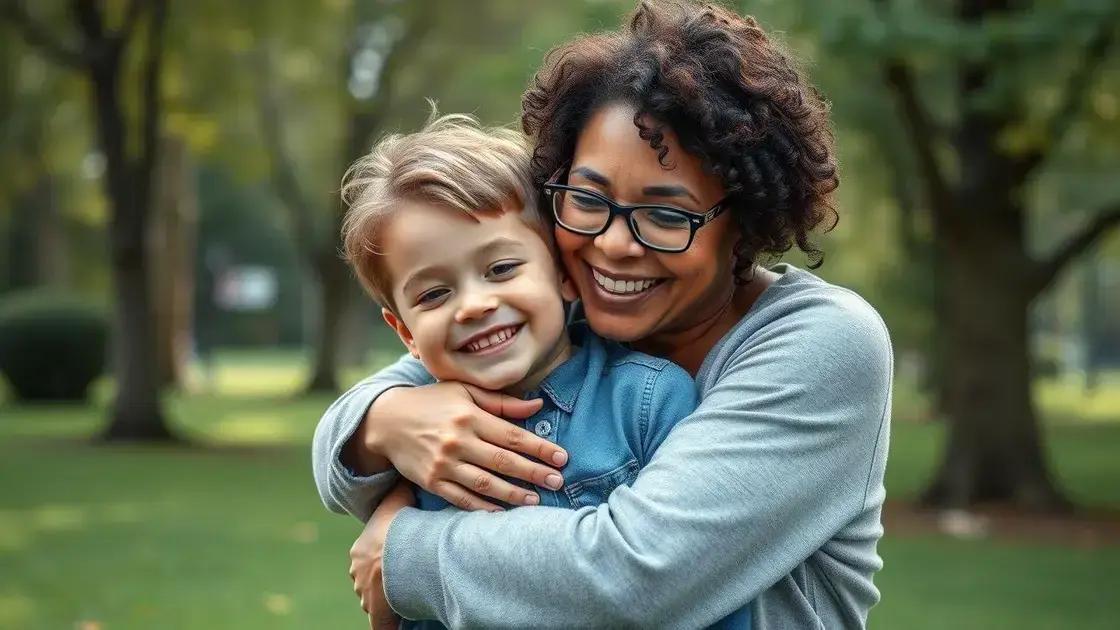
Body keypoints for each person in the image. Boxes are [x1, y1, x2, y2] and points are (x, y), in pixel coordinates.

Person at [312, 1, 893, 627]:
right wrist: (383, 422)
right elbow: (352, 441)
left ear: (744, 223)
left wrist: (399, 555)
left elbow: (637, 575)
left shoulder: (822, 341)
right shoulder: (562, 315)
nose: (615, 244)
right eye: (588, 198)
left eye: (667, 215)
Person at [328, 112, 751, 628]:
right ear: (406, 334)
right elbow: (339, 455)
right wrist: (385, 425)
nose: (474, 305)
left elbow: (694, 585)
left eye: (501, 269)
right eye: (435, 294)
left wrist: (400, 551)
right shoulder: (421, 437)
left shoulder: (648, 402)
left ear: (565, 276)